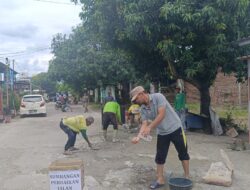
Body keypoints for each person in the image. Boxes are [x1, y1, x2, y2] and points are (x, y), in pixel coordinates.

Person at [130, 86, 190, 189]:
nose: (136, 102)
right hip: (162, 132)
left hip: (175, 128)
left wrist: (150, 127)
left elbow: (162, 114)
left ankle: (187, 177)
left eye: (136, 99)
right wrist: (138, 137)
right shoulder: (143, 108)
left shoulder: (158, 97)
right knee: (160, 156)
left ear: (141, 94)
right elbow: (144, 123)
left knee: (183, 153)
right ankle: (160, 179)